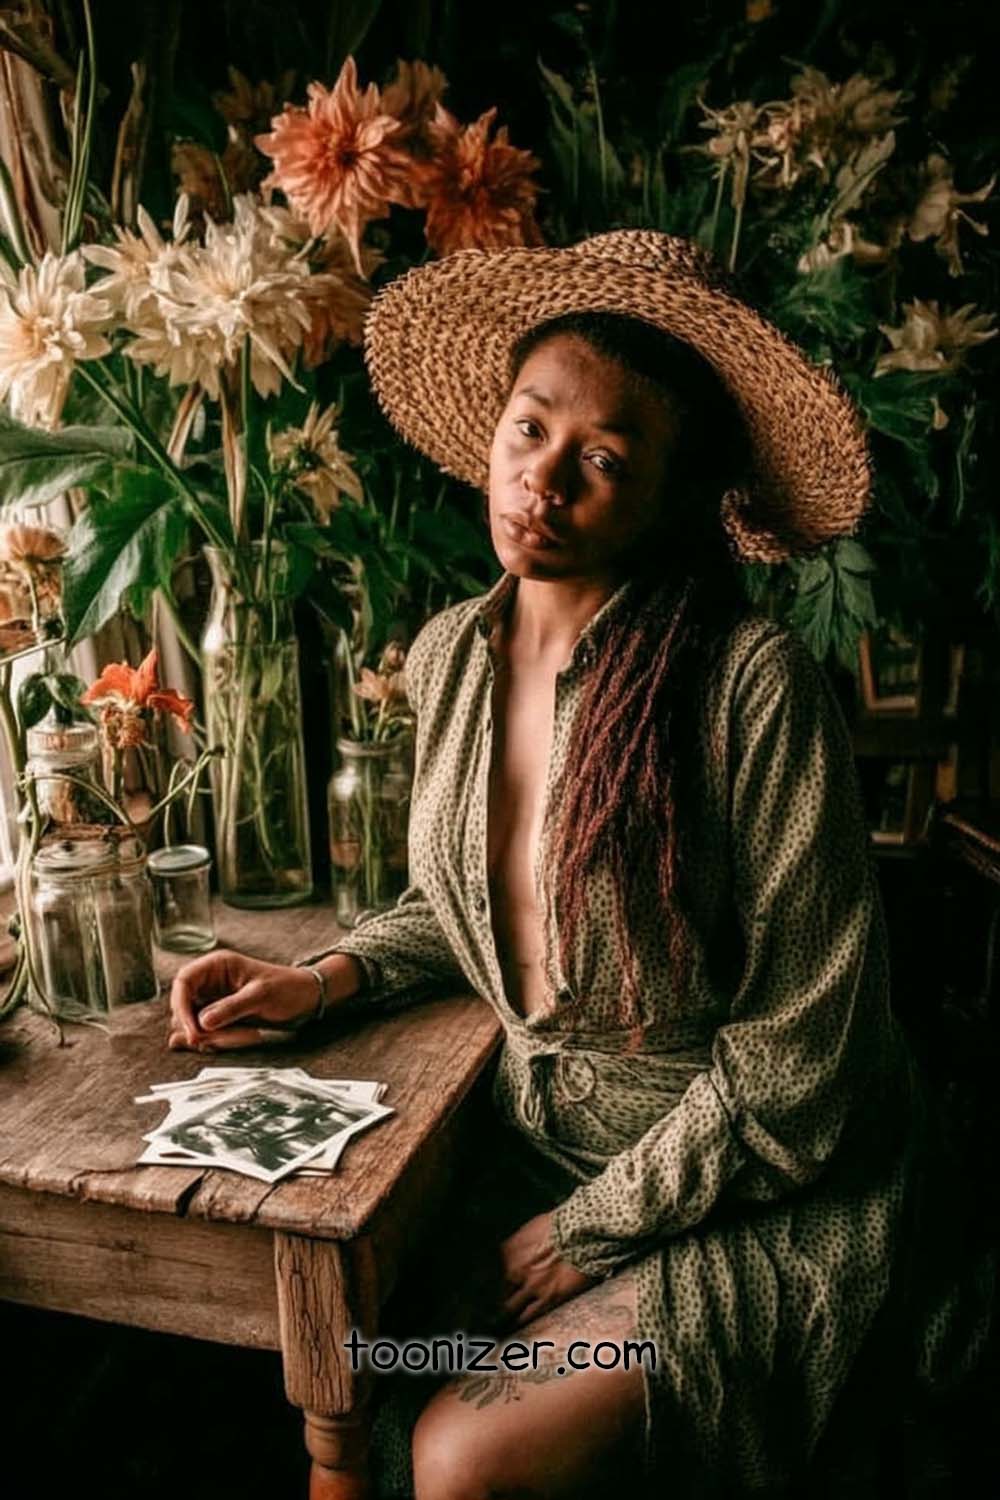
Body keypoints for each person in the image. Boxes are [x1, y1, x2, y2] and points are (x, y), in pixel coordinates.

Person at [168, 232, 925, 1498]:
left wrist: (587, 1232)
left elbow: (805, 1063)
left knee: (462, 1455)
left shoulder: (750, 691)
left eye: (604, 460)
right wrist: (328, 976)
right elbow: (473, 903)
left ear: (673, 499)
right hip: (533, 1151)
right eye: (530, 430)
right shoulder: (452, 656)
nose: (544, 481)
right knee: (332, 1359)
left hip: (746, 1190)